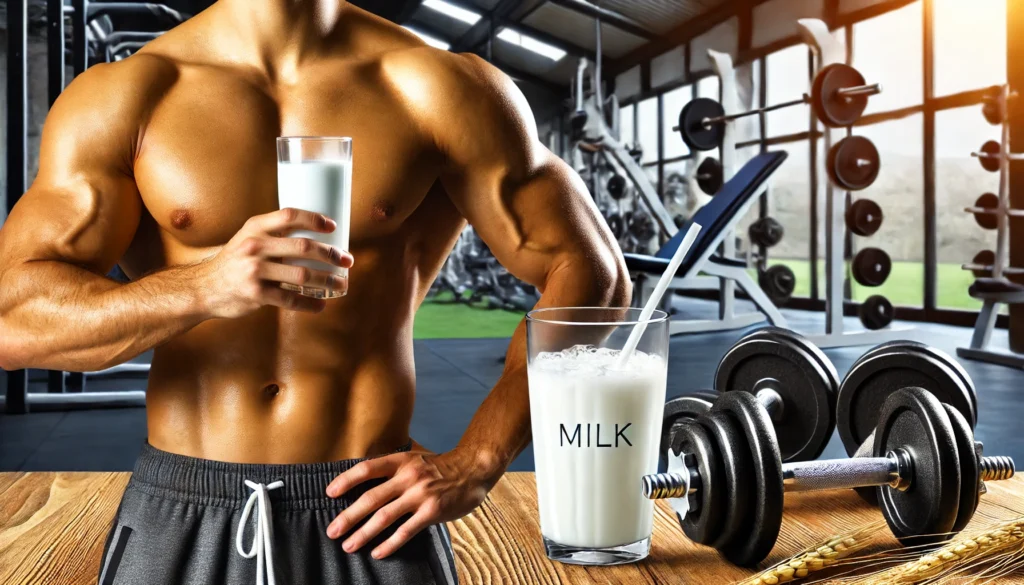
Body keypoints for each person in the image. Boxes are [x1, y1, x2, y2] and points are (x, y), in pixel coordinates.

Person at [0, 1, 629, 584]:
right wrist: (205, 285)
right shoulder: (130, 94)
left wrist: (480, 458)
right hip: (184, 505)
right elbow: (13, 321)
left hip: (371, 513)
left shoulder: (437, 86)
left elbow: (592, 274)